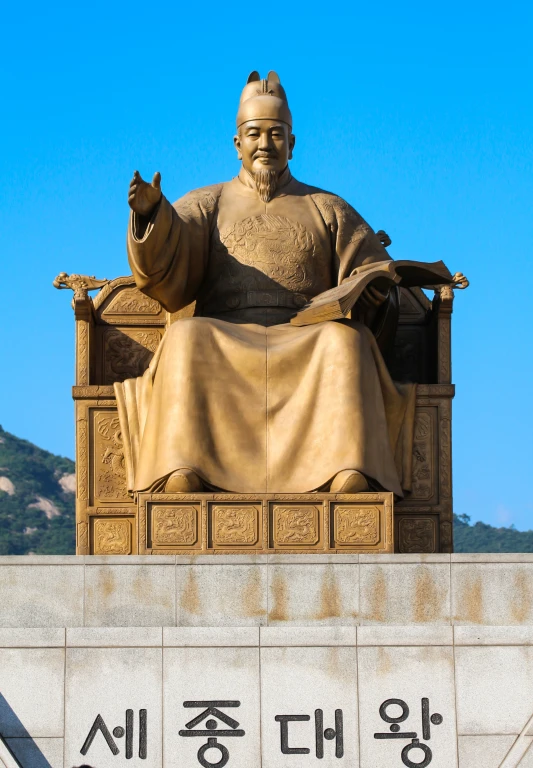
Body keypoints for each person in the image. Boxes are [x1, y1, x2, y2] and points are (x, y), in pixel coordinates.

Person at [116, 71, 415, 496]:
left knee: (344, 342)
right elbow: (168, 266)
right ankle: (183, 468)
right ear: (237, 143)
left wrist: (375, 288)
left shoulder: (327, 207)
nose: (265, 144)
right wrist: (151, 216)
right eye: (254, 133)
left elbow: (369, 268)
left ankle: (347, 469)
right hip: (224, 334)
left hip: (307, 335)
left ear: (292, 143)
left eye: (276, 134)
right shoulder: (207, 202)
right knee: (184, 337)